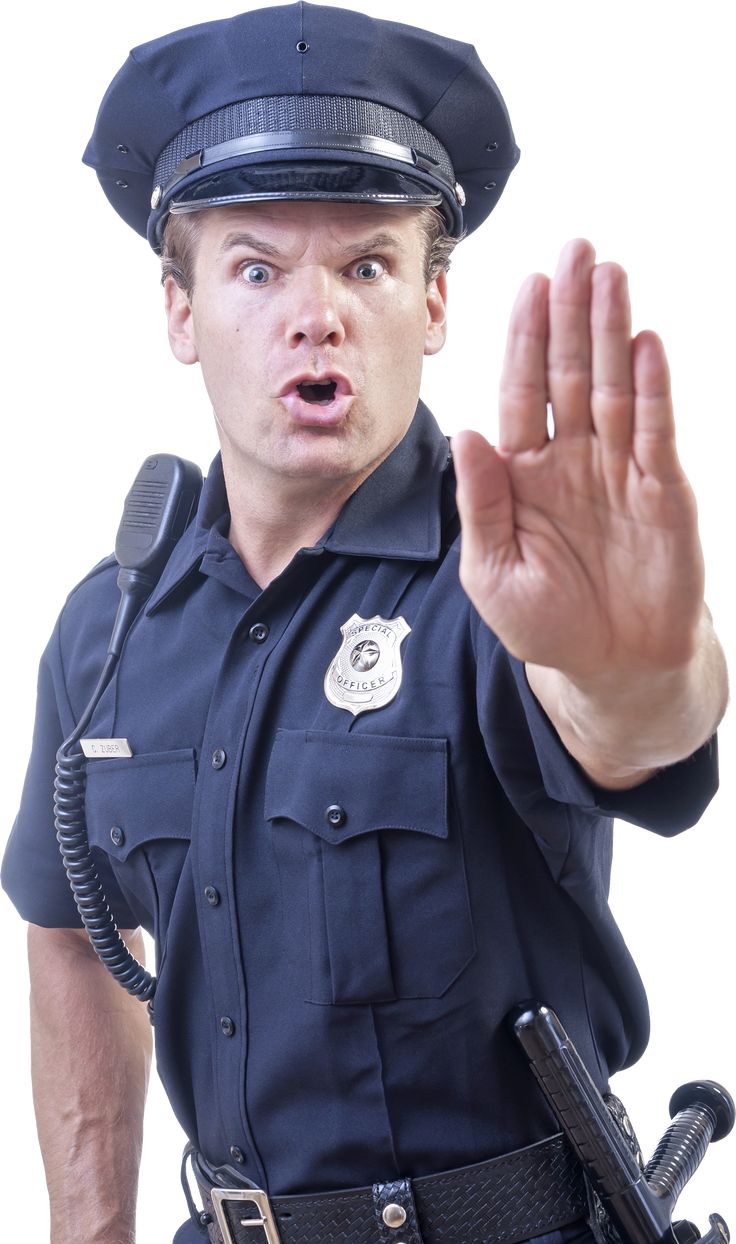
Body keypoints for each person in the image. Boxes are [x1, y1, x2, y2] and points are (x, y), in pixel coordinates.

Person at [1, 4, 729, 1244]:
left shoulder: (508, 584)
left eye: (368, 265)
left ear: (432, 303)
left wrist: (639, 662)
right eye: (254, 266)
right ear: (179, 312)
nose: (315, 312)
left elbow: (629, 727)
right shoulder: (107, 623)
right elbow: (69, 926)